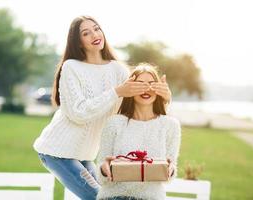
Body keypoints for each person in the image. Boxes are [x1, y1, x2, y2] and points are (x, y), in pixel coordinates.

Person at [33, 16, 172, 200]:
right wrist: (116, 92)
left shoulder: (118, 70)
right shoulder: (71, 67)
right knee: (104, 198)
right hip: (57, 153)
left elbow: (138, 108)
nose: (94, 34)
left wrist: (165, 98)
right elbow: (78, 113)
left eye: (97, 29)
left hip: (85, 155)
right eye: (86, 33)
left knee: (113, 197)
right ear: (78, 42)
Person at [96, 64, 181, 200]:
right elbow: (101, 170)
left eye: (151, 84)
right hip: (115, 196)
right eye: (140, 84)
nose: (146, 89)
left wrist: (170, 170)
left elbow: (170, 173)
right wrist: (104, 169)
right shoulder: (114, 123)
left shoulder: (170, 125)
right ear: (130, 89)